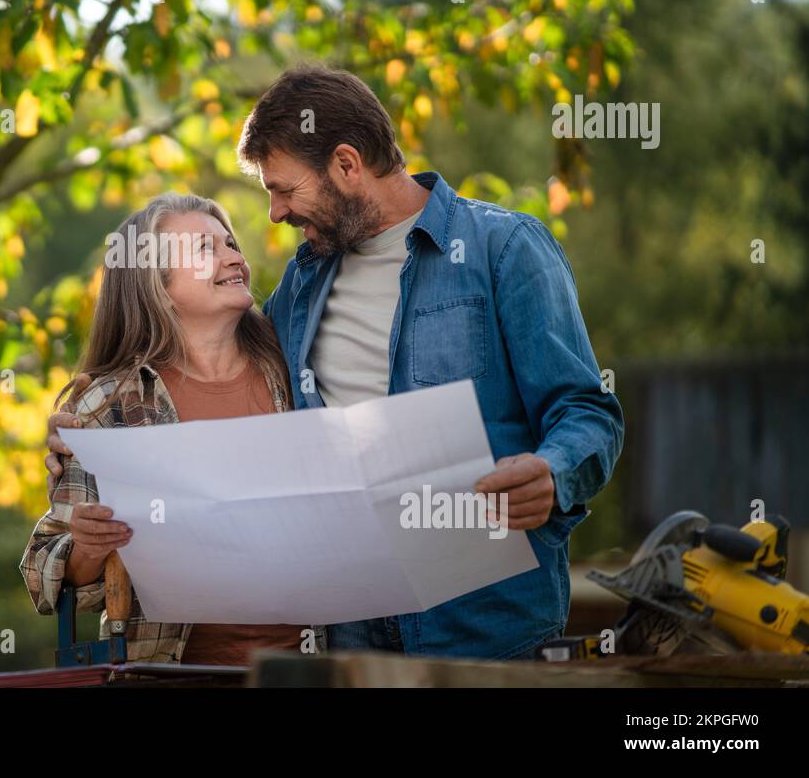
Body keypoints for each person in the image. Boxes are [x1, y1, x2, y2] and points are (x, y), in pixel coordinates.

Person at [46, 64, 625, 661]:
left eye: (285, 190)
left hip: (485, 631)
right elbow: (205, 370)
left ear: (347, 166)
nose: (273, 214)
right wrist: (88, 431)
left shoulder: (503, 248)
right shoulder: (301, 284)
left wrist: (553, 475)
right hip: (344, 641)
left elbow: (588, 411)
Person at [19, 192, 327, 664]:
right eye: (205, 249)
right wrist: (86, 546)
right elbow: (45, 574)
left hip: (308, 667)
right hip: (172, 669)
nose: (234, 257)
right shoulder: (108, 404)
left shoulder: (295, 368)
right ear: (156, 286)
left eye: (230, 243)